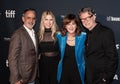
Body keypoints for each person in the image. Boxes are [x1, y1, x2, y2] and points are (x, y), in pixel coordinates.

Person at [79, 7, 118, 84]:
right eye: (82, 19)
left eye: (88, 18)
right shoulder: (85, 33)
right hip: (87, 78)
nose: (85, 21)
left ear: (94, 16)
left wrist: (105, 78)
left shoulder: (106, 32)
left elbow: (112, 58)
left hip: (100, 79)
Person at [8, 8, 38, 84]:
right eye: (28, 18)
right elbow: (12, 58)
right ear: (23, 19)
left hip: (31, 77)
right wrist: (16, 79)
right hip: (20, 79)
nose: (31, 21)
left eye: (33, 18)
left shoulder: (35, 34)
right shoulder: (18, 34)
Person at [57, 14, 86, 84]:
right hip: (64, 72)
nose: (71, 27)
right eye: (68, 24)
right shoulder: (60, 36)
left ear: (77, 25)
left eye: (73, 24)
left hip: (78, 72)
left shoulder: (83, 37)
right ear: (65, 26)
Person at [38, 10, 60, 84]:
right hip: (43, 64)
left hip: (56, 64)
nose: (48, 22)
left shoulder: (58, 34)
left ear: (53, 21)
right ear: (43, 21)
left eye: (51, 20)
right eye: (46, 19)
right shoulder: (38, 34)